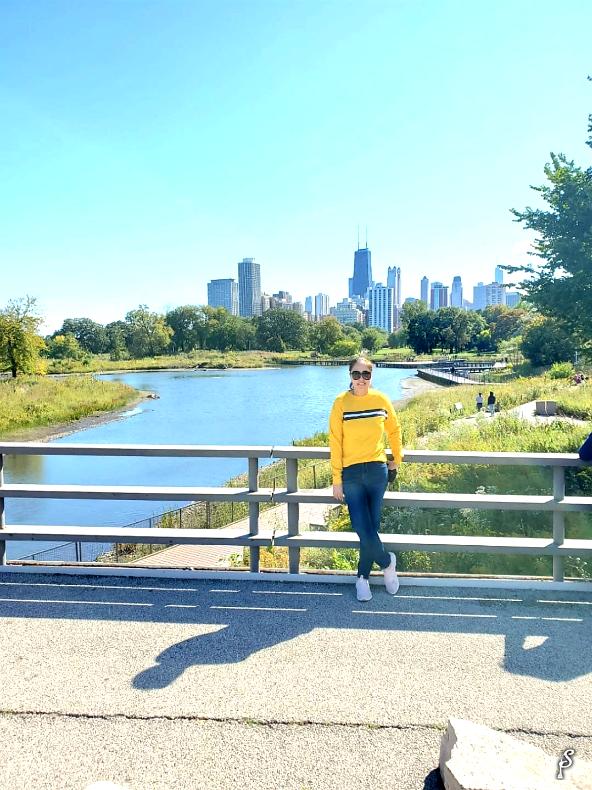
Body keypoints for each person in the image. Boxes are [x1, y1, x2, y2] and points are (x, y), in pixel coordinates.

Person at [329, 356, 403, 602]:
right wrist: (336, 479)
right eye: (356, 374)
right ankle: (387, 562)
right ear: (350, 375)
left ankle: (362, 578)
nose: (361, 379)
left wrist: (397, 458)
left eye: (366, 374)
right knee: (361, 526)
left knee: (372, 527)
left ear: (371, 376)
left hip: (376, 471)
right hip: (350, 473)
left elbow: (394, 429)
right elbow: (335, 441)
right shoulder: (341, 403)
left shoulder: (381, 400)